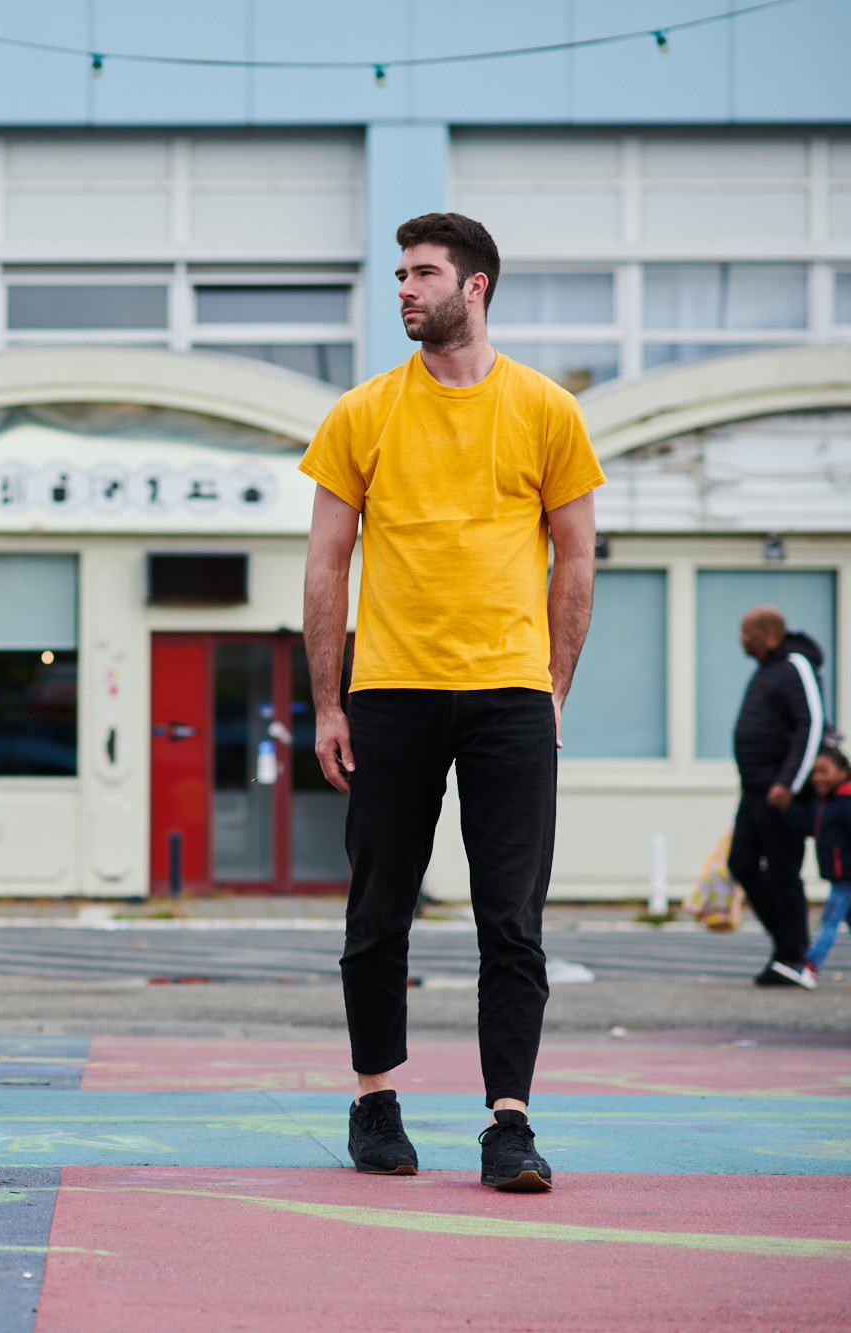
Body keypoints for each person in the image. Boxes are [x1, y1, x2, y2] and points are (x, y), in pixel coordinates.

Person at [302, 213, 604, 1193]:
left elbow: (575, 559)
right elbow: (323, 564)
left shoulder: (546, 410)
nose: (401, 287)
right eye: (396, 273)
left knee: (509, 918)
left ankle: (506, 1124)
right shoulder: (359, 414)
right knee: (375, 909)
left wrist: (551, 688)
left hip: (508, 692)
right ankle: (372, 1100)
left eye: (420, 272)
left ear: (472, 287)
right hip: (388, 687)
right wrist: (325, 702)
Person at [729, 604, 825, 987]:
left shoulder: (796, 665)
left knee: (784, 873)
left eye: (746, 631)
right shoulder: (769, 669)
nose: (741, 638)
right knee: (742, 864)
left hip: (781, 794)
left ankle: (794, 958)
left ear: (769, 634)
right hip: (755, 792)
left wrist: (789, 783)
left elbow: (813, 722)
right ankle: (788, 948)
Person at [794, 745, 850, 983]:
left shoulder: (846, 801)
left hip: (846, 876)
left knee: (829, 920)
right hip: (838, 874)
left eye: (824, 771)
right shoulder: (826, 801)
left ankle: (810, 965)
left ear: (843, 772)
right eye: (814, 772)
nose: (817, 777)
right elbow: (808, 827)